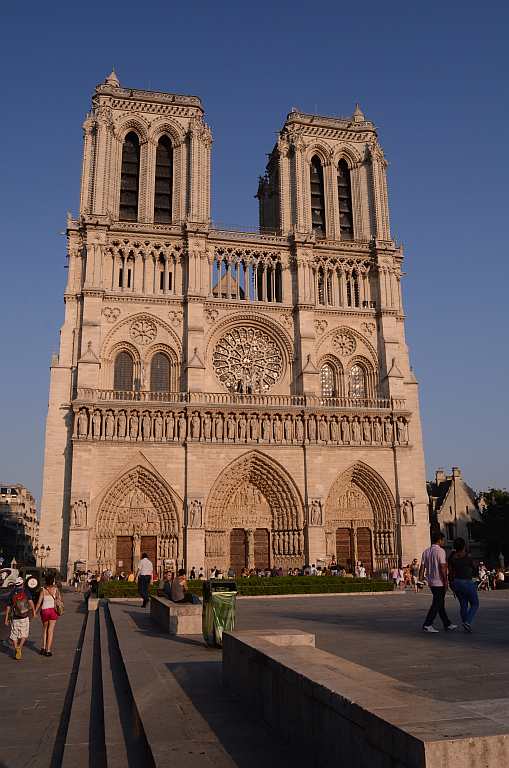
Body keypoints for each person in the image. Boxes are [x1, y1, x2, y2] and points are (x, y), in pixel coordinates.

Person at [419, 531, 457, 633]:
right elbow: (443, 567)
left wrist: (420, 580)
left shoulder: (426, 552)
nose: (443, 542)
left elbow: (422, 567)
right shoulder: (441, 551)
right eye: (443, 540)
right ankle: (427, 624)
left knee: (440, 603)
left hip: (431, 582)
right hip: (439, 581)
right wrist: (446, 581)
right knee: (437, 603)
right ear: (439, 540)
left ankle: (447, 624)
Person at [448, 537, 479, 632]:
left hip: (456, 582)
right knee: (475, 603)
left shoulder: (452, 557)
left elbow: (450, 572)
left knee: (463, 604)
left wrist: (451, 584)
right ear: (464, 546)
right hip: (467, 582)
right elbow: (474, 568)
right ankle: (468, 622)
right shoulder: (467, 557)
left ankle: (465, 623)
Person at [5, 577, 35, 660]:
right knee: (24, 634)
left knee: (14, 634)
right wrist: (34, 612)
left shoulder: (12, 593)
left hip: (15, 617)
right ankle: (19, 647)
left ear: (15, 585)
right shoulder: (25, 591)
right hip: (24, 617)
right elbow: (30, 602)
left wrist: (6, 618)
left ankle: (16, 648)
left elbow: (8, 606)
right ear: (22, 584)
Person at [34, 573, 62, 657]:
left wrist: (35, 612)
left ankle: (43, 648)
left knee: (45, 629)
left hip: (44, 611)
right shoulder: (56, 589)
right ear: (53, 581)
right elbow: (59, 600)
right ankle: (48, 650)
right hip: (53, 611)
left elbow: (39, 602)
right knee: (51, 630)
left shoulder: (43, 589)